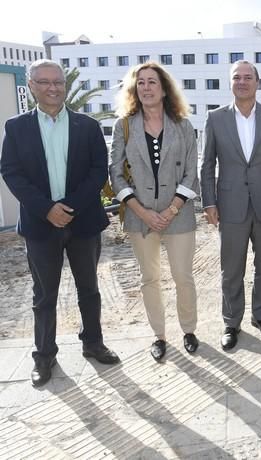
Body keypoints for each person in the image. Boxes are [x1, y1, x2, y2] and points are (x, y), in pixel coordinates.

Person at [1, 59, 120, 386]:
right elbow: (11, 172)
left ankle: (93, 344)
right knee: (44, 295)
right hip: (41, 226)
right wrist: (46, 209)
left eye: (58, 82)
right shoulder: (16, 127)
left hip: (82, 221)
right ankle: (44, 356)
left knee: (89, 289)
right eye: (44, 82)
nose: (53, 88)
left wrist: (68, 206)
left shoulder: (87, 125)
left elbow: (99, 171)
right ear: (31, 85)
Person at [109, 62, 199, 361]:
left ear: (164, 89)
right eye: (141, 82)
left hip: (179, 215)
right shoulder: (123, 125)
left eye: (152, 82)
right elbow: (116, 176)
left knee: (183, 277)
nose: (146, 87)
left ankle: (188, 329)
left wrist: (172, 209)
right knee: (150, 279)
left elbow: (190, 173)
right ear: (135, 89)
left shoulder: (183, 125)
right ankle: (159, 335)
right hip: (140, 216)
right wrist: (143, 212)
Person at [200, 60, 261, 350]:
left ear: (257, 82)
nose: (242, 81)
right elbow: (207, 164)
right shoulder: (215, 118)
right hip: (230, 205)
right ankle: (231, 322)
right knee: (231, 267)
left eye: (248, 77)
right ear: (230, 83)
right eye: (236, 77)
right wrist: (209, 202)